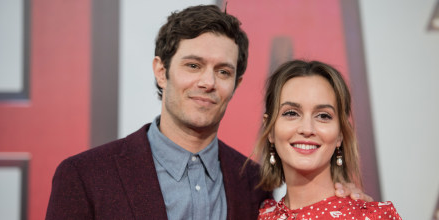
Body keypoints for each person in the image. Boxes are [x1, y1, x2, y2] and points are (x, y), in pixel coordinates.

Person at [46, 5, 369, 219]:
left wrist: (348, 204)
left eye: (223, 71)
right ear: (161, 71)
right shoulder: (85, 176)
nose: (207, 82)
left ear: (236, 83)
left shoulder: (254, 184)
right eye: (193, 65)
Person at [256, 60, 401, 219]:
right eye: (291, 113)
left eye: (323, 116)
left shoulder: (375, 217)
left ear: (340, 134)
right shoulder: (259, 214)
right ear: (269, 129)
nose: (307, 129)